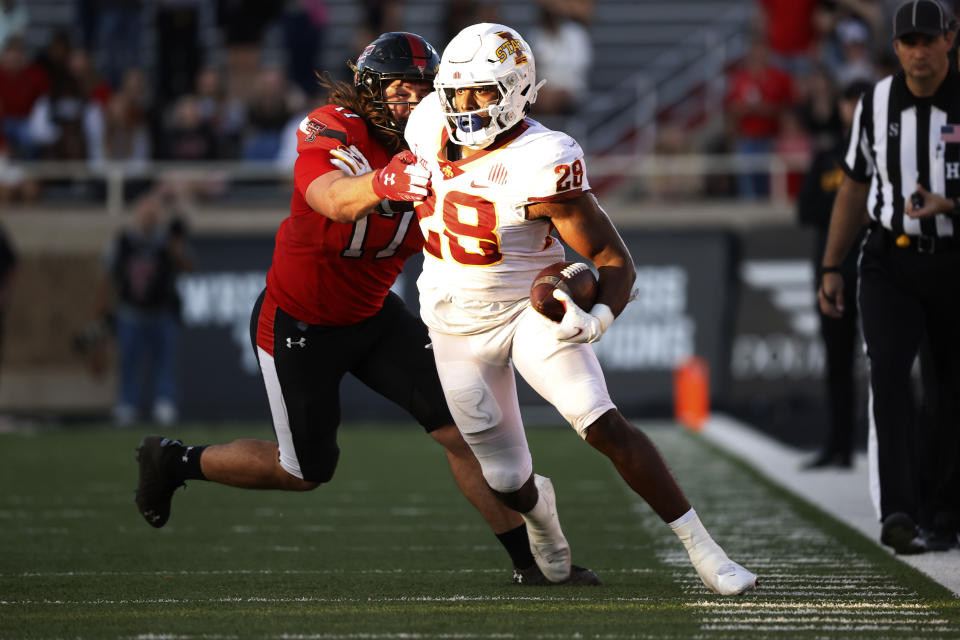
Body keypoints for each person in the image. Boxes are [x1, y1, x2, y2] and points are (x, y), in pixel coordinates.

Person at [134, 32, 598, 587]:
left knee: (463, 433)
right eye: (399, 88)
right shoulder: (335, 127)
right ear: (370, 90)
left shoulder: (453, 143)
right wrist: (386, 181)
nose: (412, 99)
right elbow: (329, 197)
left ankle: (531, 565)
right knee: (304, 471)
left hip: (374, 316)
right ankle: (173, 461)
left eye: (424, 88)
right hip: (300, 320)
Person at [403, 22, 757, 594]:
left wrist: (598, 317)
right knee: (505, 477)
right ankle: (541, 513)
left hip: (528, 312)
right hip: (453, 323)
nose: (465, 107)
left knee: (601, 422)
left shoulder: (543, 156)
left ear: (516, 90)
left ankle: (704, 550)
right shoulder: (423, 124)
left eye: (482, 92)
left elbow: (611, 259)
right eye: (457, 92)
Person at [819, 0, 960, 554]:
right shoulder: (875, 102)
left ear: (951, 38)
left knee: (949, 390)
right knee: (889, 376)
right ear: (896, 47)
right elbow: (854, 185)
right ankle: (900, 510)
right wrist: (832, 264)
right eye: (908, 42)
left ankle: (945, 510)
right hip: (889, 260)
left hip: (953, 260)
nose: (918, 52)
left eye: (929, 40)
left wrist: (950, 203)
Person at [797, 80, 872, 470]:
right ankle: (838, 446)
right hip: (831, 269)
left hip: (876, 268)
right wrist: (845, 209)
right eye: (850, 99)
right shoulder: (827, 158)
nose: (854, 106)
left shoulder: (882, 153)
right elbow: (805, 210)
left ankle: (888, 452)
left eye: (862, 99)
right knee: (837, 362)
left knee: (885, 365)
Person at [95, 189, 193, 426]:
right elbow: (106, 273)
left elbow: (188, 266)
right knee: (128, 361)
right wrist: (101, 305)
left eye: (153, 213)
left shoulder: (166, 241)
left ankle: (165, 402)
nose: (149, 217)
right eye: (145, 212)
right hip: (130, 311)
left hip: (161, 310)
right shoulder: (123, 240)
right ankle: (127, 404)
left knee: (164, 361)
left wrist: (175, 247)